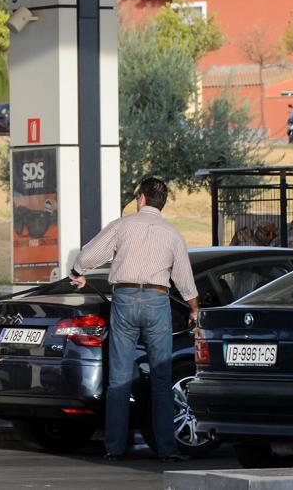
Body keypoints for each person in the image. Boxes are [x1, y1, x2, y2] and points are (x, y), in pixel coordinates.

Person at [68, 178, 199, 462]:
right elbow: (185, 279)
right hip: (157, 302)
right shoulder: (172, 234)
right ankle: (167, 450)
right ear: (161, 203)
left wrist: (78, 271)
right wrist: (193, 308)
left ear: (141, 198)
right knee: (162, 379)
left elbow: (89, 255)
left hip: (124, 300)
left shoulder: (122, 226)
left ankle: (114, 448)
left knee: (119, 379)